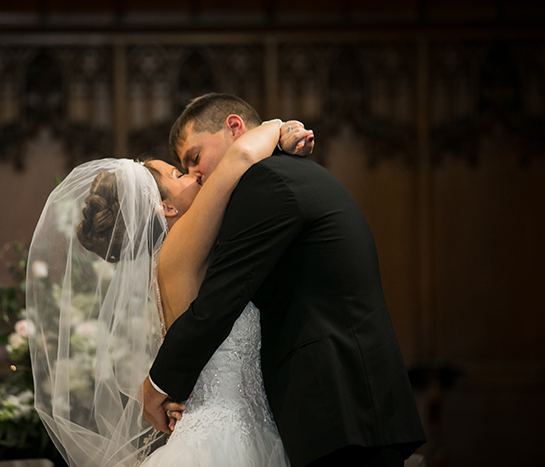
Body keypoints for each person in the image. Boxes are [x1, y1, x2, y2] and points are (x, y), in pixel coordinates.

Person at [141, 93, 426, 467]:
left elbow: (218, 302)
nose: (197, 176)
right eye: (183, 171)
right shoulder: (284, 173)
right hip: (344, 405)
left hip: (341, 405)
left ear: (235, 129)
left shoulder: (266, 182)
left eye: (195, 159)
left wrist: (158, 384)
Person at [27, 117, 312, 467]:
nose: (193, 175)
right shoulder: (179, 249)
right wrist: (280, 126)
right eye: (179, 175)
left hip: (242, 430)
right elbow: (240, 157)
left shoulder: (176, 259)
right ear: (167, 208)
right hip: (220, 445)